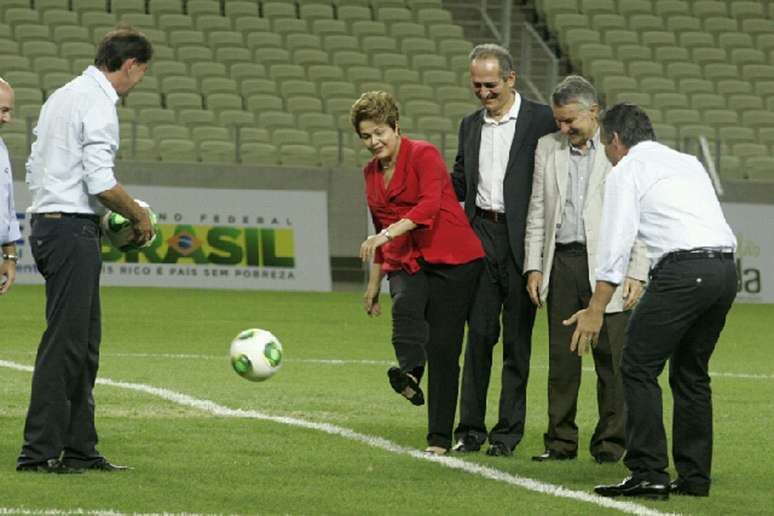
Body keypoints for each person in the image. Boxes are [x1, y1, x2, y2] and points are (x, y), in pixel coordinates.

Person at [565, 103, 737, 500]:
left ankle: (648, 472)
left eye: (605, 144)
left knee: (638, 366)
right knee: (691, 374)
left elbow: (615, 247)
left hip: (682, 272)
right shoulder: (688, 162)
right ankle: (694, 478)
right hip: (724, 270)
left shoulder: (625, 170)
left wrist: (595, 310)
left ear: (615, 140)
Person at [17, 28, 154, 474]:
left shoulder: (63, 95)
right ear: (131, 65)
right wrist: (139, 217)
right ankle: (38, 453)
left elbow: (39, 167)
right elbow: (100, 182)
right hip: (69, 232)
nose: (138, 83)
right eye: (141, 74)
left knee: (83, 344)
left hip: (53, 225)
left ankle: (79, 448)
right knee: (66, 345)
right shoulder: (97, 103)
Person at [524, 76, 649, 464]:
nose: (562, 129)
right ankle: (560, 443)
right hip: (561, 263)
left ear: (593, 112)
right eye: (558, 121)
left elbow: (640, 214)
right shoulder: (547, 147)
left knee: (613, 362)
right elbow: (538, 210)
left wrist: (638, 269)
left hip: (608, 269)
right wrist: (533, 266)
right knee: (562, 361)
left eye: (569, 121)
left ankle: (611, 446)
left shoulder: (618, 148)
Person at [352, 91, 484, 455]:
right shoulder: (370, 173)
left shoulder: (423, 154)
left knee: (444, 348)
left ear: (396, 127)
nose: (373, 142)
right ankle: (410, 374)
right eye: (366, 136)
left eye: (379, 132)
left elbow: (428, 207)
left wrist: (387, 233)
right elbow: (380, 225)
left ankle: (439, 438)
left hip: (453, 259)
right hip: (407, 258)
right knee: (406, 305)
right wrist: (372, 285)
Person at [450, 43, 556, 457]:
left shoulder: (542, 120)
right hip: (481, 239)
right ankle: (469, 431)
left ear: (511, 79)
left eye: (490, 85)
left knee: (517, 343)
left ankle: (507, 435)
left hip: (521, 243)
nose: (483, 93)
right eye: (476, 85)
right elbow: (461, 179)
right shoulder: (469, 125)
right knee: (477, 338)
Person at [0, 78, 20, 295]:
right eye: (3, 110)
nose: (8, 118)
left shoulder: (1, 147)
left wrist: (10, 257)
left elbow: (6, 206)